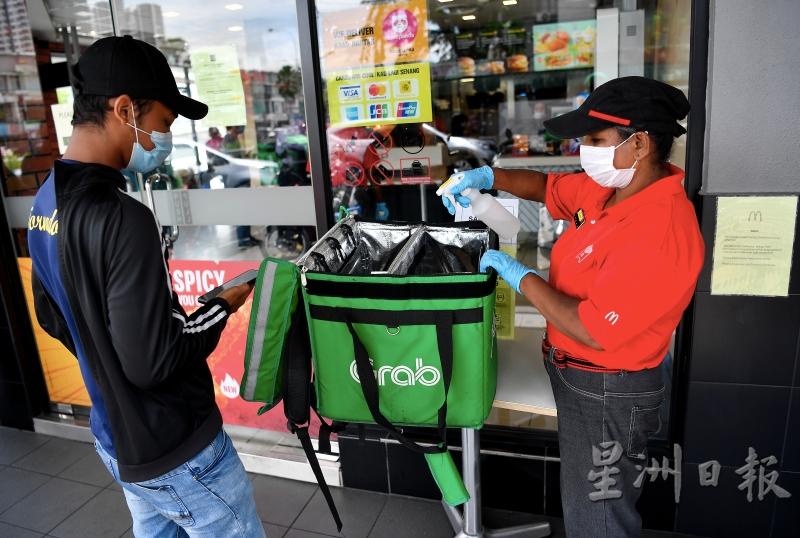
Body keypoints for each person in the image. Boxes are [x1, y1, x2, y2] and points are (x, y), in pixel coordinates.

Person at [440, 76, 704, 537]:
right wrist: (486, 177)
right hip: (577, 375)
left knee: (598, 515)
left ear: (639, 142)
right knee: (589, 497)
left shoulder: (659, 230)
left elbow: (595, 328)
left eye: (595, 139)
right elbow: (546, 188)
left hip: (608, 391)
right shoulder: (612, 190)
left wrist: (521, 276)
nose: (585, 149)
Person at [27, 36, 264, 537]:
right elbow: (153, 361)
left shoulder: (45, 200)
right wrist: (222, 303)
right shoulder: (122, 217)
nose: (165, 137)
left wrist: (106, 362)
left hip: (116, 441)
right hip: (178, 449)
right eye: (164, 123)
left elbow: (51, 316)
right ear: (125, 109)